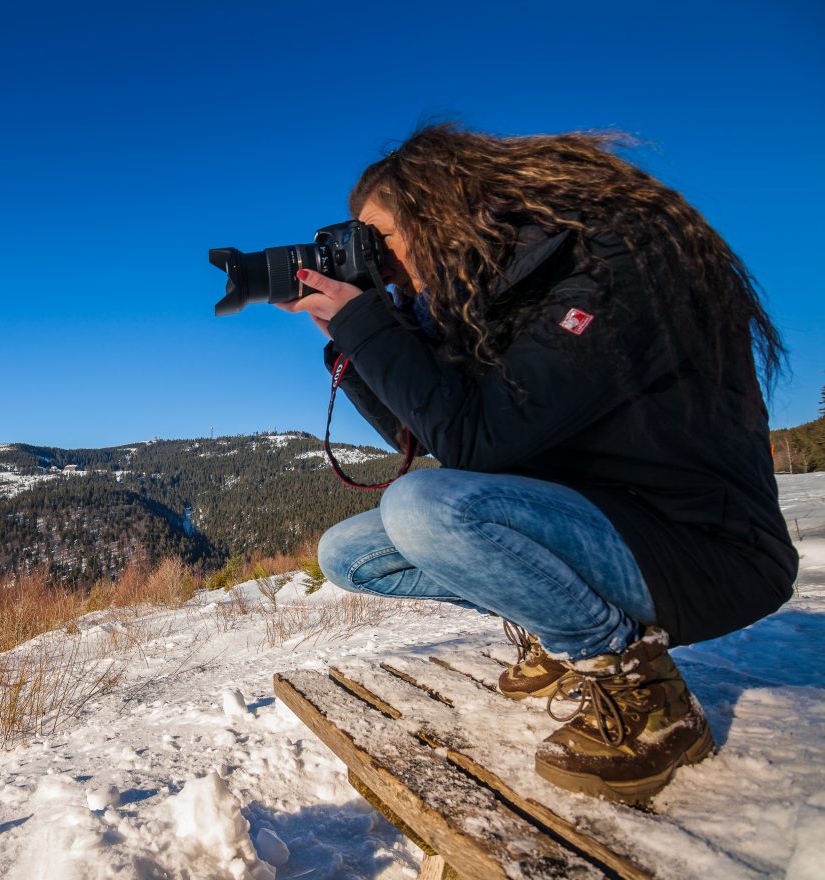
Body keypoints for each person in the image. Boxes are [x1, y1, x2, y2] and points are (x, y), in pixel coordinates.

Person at [279, 123, 798, 804]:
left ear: (440, 207)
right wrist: (351, 341)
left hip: (704, 547)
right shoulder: (493, 298)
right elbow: (429, 433)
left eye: (380, 242)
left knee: (423, 508)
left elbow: (479, 440)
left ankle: (642, 689)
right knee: (349, 552)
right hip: (608, 526)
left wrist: (369, 325)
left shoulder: (613, 259)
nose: (378, 266)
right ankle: (558, 621)